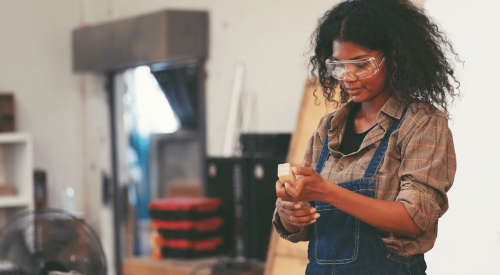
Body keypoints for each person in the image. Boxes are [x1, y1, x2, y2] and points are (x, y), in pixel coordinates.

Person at [272, 0, 460, 274]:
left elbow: (415, 218)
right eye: (338, 65)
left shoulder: (422, 123)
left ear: (395, 58)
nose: (347, 76)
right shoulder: (328, 128)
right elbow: (301, 228)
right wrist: (291, 213)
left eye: (361, 64)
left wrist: (327, 191)